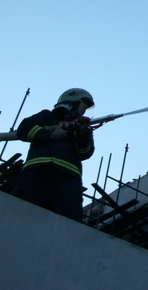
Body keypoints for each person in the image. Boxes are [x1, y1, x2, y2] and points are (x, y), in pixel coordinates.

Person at [11, 88, 96, 222]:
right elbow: (24, 129)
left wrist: (82, 134)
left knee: (68, 222)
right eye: (84, 102)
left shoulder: (83, 127)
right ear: (72, 101)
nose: (86, 107)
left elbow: (85, 153)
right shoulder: (47, 116)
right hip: (37, 173)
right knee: (22, 215)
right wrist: (50, 134)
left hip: (68, 180)